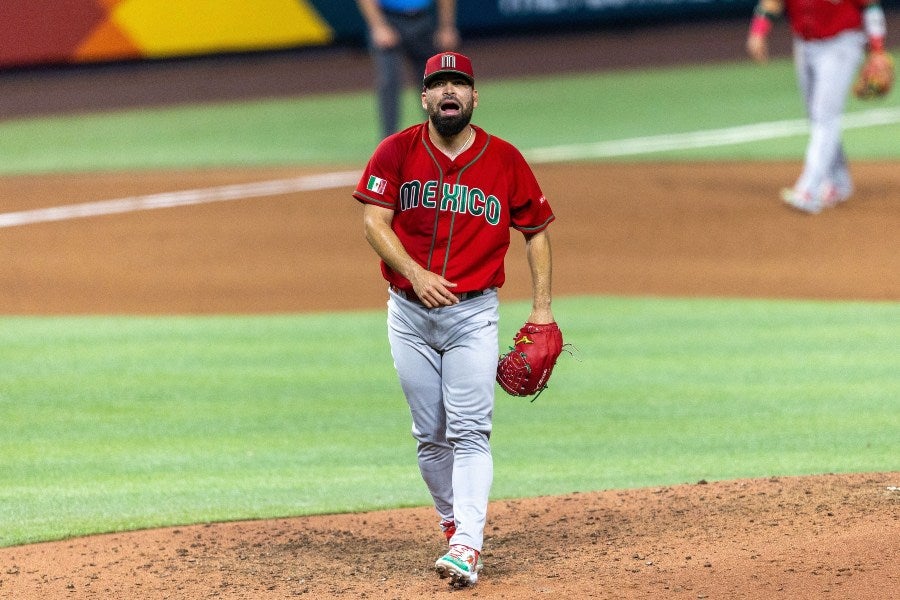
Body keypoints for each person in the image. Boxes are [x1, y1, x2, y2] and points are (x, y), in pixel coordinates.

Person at [352, 52, 556, 587]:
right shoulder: (395, 151)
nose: (449, 91)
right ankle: (452, 522)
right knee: (430, 435)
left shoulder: (505, 159)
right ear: (424, 98)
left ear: (473, 97)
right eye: (438, 84)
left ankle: (467, 543)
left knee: (469, 431)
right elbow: (374, 222)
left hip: (473, 316)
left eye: (458, 84)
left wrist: (542, 309)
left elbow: (535, 230)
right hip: (407, 316)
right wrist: (415, 274)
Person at [746, 0, 889, 214]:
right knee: (816, 116)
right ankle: (839, 183)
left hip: (842, 43)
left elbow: (871, 6)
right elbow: (772, 3)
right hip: (804, 45)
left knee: (824, 116)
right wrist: (758, 32)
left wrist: (877, 50)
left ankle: (809, 190)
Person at [356, 0, 460, 140]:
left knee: (435, 81)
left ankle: (445, 136)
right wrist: (378, 26)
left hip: (423, 19)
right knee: (389, 80)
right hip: (388, 19)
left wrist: (447, 27)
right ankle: (388, 143)